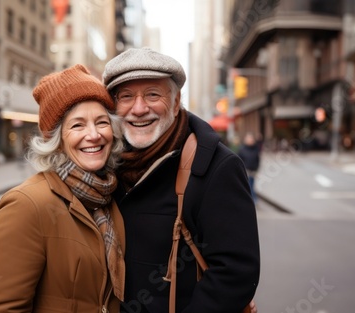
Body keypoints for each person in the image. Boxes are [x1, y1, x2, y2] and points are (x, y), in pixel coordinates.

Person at [102, 47, 260, 312]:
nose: (139, 109)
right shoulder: (106, 166)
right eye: (126, 96)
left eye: (152, 94)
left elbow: (235, 273)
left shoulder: (216, 167)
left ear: (176, 103)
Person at [0, 64, 125, 312]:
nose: (94, 135)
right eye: (77, 125)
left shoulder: (107, 197)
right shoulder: (26, 204)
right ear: (57, 141)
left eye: (102, 122)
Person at [238, 133, 261, 203]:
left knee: (251, 185)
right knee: (249, 186)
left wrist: (256, 168)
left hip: (253, 171)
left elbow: (257, 159)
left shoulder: (256, 149)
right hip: (246, 171)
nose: (250, 140)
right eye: (249, 138)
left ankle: (252, 199)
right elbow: (239, 160)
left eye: (251, 139)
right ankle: (252, 199)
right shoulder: (242, 149)